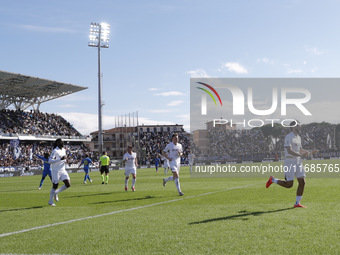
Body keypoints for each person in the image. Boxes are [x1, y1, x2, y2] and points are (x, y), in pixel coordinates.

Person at [266, 120, 318, 208]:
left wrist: (310, 153)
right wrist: (301, 155)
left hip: (298, 162)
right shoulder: (288, 137)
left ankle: (297, 203)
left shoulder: (299, 137)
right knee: (289, 185)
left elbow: (300, 149)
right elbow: (289, 150)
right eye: (298, 125)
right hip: (289, 162)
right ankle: (272, 180)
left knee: (302, 182)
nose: (300, 127)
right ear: (293, 126)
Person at [48, 138, 70, 206]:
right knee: (55, 185)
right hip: (56, 170)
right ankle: (50, 201)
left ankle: (56, 193)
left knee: (68, 184)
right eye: (61, 142)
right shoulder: (55, 151)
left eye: (63, 142)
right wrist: (60, 159)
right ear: (57, 143)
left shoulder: (64, 150)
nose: (63, 143)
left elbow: (64, 158)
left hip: (62, 169)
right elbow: (50, 161)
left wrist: (66, 160)